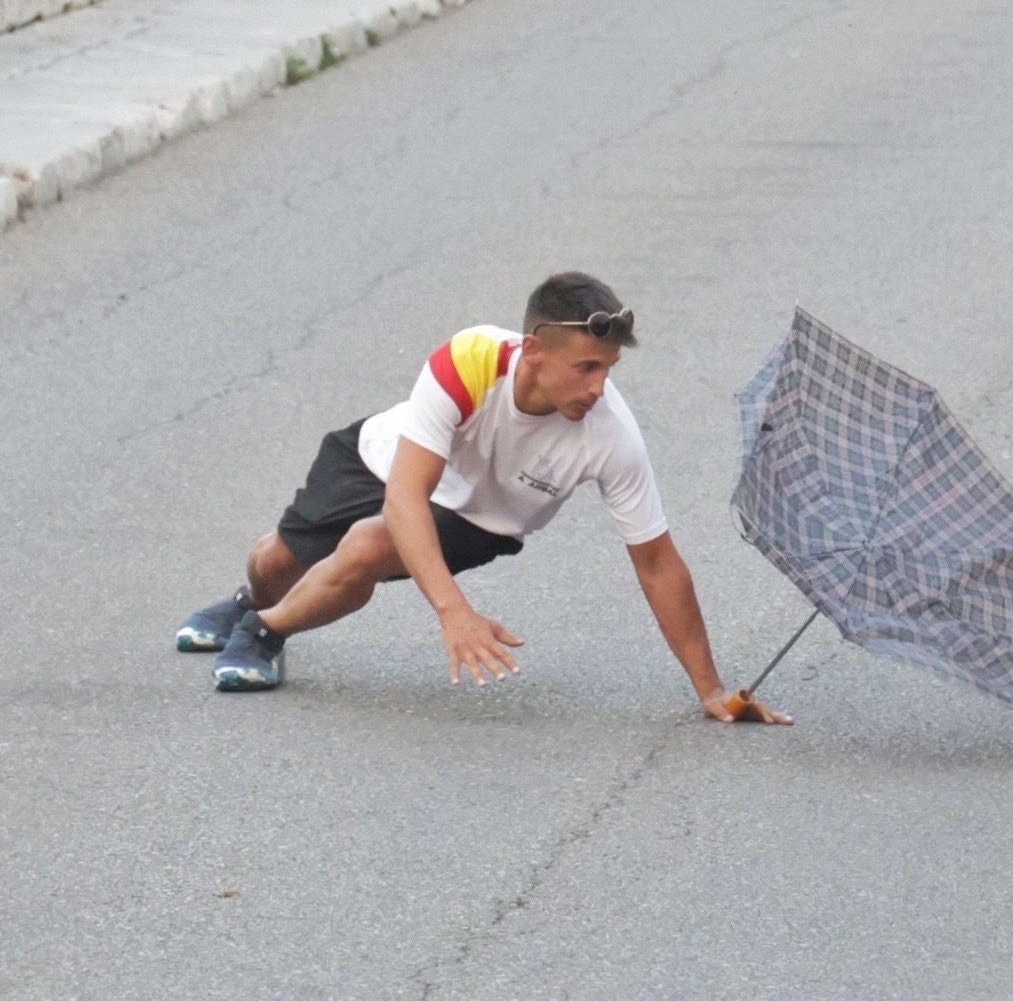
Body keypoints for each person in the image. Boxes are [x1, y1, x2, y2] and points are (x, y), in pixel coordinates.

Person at [173, 271, 789, 724]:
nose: (600, 387)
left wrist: (711, 689)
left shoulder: (610, 436)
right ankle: (249, 599)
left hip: (480, 518)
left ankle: (263, 632)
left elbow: (657, 563)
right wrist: (454, 612)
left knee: (364, 550)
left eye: (608, 370)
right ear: (535, 350)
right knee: (278, 560)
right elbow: (406, 494)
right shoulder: (471, 359)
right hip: (389, 462)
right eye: (587, 368)